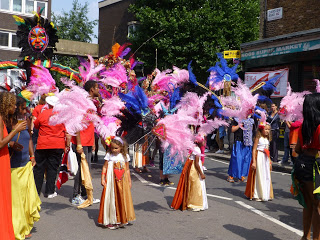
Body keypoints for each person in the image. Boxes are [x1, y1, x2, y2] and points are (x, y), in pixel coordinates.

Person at [9, 96, 41, 239]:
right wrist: (15, 130)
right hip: (12, 166)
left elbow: (28, 138)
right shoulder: (7, 122)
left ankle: (26, 225)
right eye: (22, 108)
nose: (24, 111)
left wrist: (32, 155)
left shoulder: (26, 119)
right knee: (16, 200)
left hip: (26, 163)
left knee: (26, 198)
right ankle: (18, 228)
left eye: (24, 108)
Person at [0, 92, 27, 240]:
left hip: (4, 159)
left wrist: (10, 143)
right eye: (13, 104)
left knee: (4, 197)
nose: (15, 107)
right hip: (1, 160)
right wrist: (16, 131)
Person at [293, 93, 320, 240]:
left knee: (308, 204)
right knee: (318, 207)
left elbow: (297, 149)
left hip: (303, 165)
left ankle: (305, 237)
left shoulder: (304, 126)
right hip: (317, 167)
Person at [71, 80, 100, 205]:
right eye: (97, 88)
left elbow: (91, 124)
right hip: (81, 141)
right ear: (92, 90)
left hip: (87, 141)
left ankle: (85, 194)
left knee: (86, 168)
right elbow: (77, 124)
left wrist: (93, 141)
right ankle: (76, 195)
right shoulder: (82, 103)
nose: (99, 90)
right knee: (81, 169)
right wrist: (78, 143)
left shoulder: (91, 103)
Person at [33, 95, 68, 198]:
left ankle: (36, 191)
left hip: (43, 144)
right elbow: (66, 131)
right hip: (57, 144)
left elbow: (36, 125)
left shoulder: (44, 113)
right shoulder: (62, 116)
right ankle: (50, 191)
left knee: (39, 168)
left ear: (48, 104)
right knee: (52, 168)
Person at [98, 137, 135, 229]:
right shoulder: (109, 155)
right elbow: (105, 167)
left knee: (121, 198)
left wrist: (129, 181)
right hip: (111, 181)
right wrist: (102, 178)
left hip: (122, 181)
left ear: (121, 147)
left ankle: (121, 218)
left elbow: (127, 170)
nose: (114, 150)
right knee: (111, 198)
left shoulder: (125, 156)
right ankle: (111, 219)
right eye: (112, 148)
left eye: (116, 148)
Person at [171, 137, 208, 211]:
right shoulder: (197, 149)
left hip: (191, 168)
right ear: (199, 142)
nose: (204, 142)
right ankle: (195, 204)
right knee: (196, 186)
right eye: (203, 141)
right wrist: (201, 173)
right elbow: (197, 164)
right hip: (194, 170)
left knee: (191, 185)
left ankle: (190, 202)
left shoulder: (193, 147)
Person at [245, 123, 274, 201]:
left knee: (265, 175)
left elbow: (268, 151)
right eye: (266, 129)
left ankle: (265, 193)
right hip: (259, 157)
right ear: (261, 129)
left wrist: (270, 161)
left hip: (265, 158)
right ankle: (256, 194)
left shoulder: (267, 139)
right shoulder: (258, 138)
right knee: (259, 175)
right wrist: (254, 161)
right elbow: (254, 150)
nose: (267, 131)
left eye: (269, 130)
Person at [227, 117, 254, 183]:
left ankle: (242, 175)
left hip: (247, 143)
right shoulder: (236, 119)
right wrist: (239, 125)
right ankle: (231, 175)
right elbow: (232, 130)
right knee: (236, 159)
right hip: (238, 142)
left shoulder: (251, 120)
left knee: (246, 160)